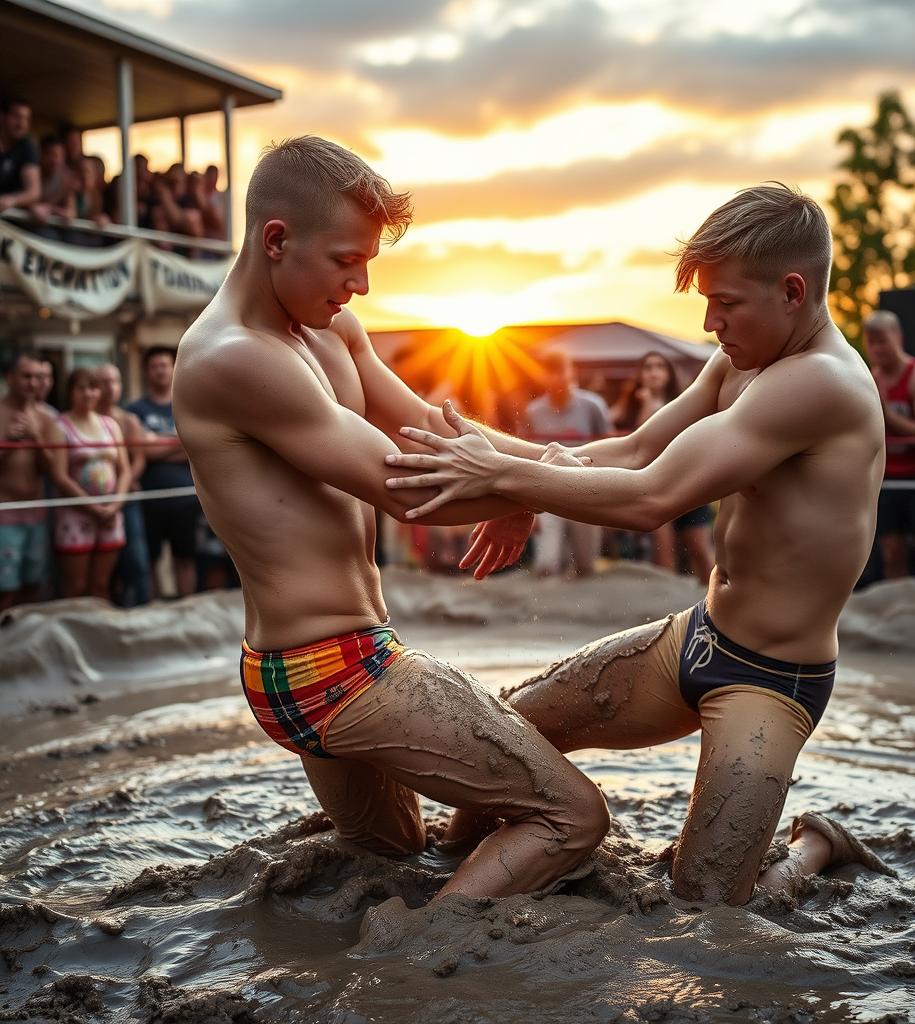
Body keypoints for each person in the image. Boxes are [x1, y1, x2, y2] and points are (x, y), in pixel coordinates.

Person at [386, 183, 896, 905]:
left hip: (771, 681)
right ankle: (454, 860)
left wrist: (507, 478)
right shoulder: (741, 361)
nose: (711, 322)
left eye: (727, 303)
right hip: (698, 636)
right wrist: (519, 478)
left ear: (793, 291)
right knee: (512, 732)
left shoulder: (822, 383)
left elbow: (653, 498)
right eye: (707, 302)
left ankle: (816, 846)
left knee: (708, 901)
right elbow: (634, 449)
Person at [172, 135, 608, 902]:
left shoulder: (331, 330)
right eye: (346, 260)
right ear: (276, 240)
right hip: (329, 669)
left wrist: (556, 465)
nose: (362, 284)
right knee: (573, 819)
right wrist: (541, 490)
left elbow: (433, 432)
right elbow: (407, 489)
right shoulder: (231, 356)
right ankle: (418, 957)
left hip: (335, 657)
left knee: (396, 854)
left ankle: (319, 919)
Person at [862, 310, 915, 584]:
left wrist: (889, 417)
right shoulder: (868, 379)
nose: (877, 349)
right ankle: (897, 610)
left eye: (882, 341)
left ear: (897, 337)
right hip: (887, 478)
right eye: (871, 342)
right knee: (891, 554)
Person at [612, 352, 714, 581]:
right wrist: (647, 403)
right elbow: (638, 444)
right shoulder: (628, 408)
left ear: (669, 373)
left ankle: (716, 600)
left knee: (700, 549)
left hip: (689, 483)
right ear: (640, 374)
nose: (654, 372)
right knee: (663, 552)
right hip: (655, 484)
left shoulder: (685, 403)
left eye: (660, 366)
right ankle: (667, 601)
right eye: (648, 367)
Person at [45, 369, 131, 599]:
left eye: (92, 388)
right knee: (76, 586)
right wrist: (93, 507)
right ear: (70, 392)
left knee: (102, 585)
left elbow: (124, 470)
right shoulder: (59, 426)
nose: (88, 393)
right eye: (81, 388)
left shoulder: (110, 425)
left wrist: (115, 505)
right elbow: (59, 476)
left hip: (110, 513)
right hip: (75, 514)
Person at [523, 352, 611, 577]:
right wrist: (528, 506)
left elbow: (610, 447)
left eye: (560, 370)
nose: (555, 378)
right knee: (546, 564)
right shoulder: (533, 411)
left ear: (571, 372)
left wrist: (608, 497)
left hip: (586, 489)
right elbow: (525, 456)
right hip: (546, 491)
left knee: (586, 565)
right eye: (550, 372)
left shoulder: (593, 406)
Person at [128, 346, 200, 599]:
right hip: (149, 498)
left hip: (186, 497)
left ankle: (188, 609)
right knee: (150, 559)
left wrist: (156, 444)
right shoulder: (134, 410)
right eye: (154, 366)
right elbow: (142, 452)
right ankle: (154, 610)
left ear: (173, 368)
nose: (160, 371)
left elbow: (197, 447)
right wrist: (180, 441)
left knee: (186, 558)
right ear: (146, 371)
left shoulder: (189, 405)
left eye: (164, 365)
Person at [95, 363, 152, 606]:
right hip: (92, 500)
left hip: (125, 497)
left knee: (136, 559)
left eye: (115, 381)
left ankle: (140, 608)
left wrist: (122, 485)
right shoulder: (85, 418)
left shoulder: (129, 420)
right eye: (104, 382)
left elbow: (138, 459)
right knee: (101, 563)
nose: (110, 387)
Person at [0, 353, 50, 611]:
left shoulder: (44, 416)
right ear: (10, 378)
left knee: (34, 585)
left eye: (37, 377)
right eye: (26, 376)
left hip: (36, 512)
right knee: (6, 590)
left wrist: (36, 438)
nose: (32, 383)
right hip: (5, 514)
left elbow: (52, 470)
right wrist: (8, 444)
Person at [0, 98, 41, 215]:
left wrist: (11, 200)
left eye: (26, 119)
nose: (22, 124)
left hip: (10, 215)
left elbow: (34, 192)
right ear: (2, 117)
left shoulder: (27, 146)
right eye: (16, 117)